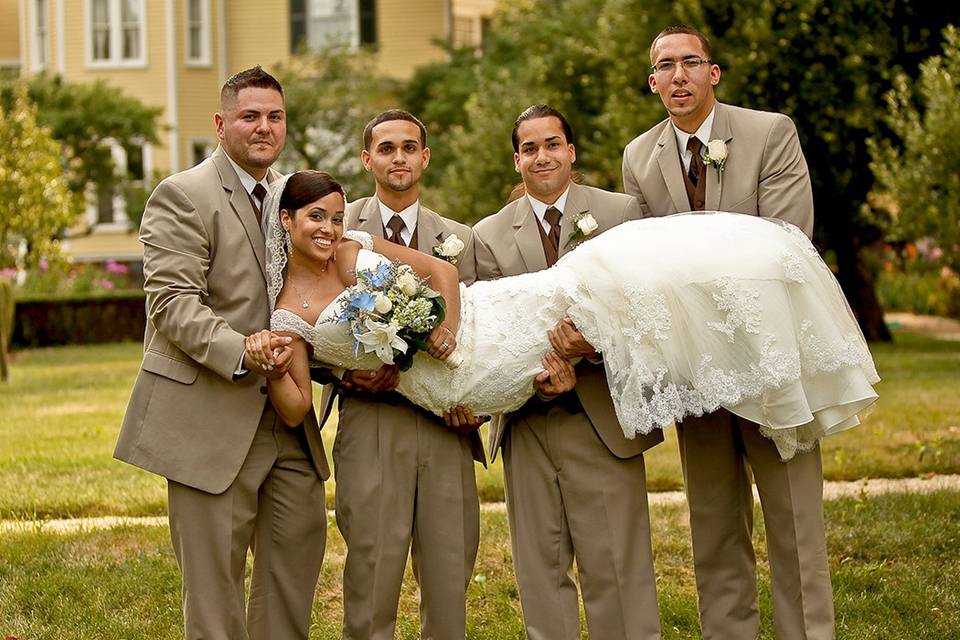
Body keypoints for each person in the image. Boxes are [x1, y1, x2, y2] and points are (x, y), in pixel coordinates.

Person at [621, 25, 833, 639]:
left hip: (772, 359)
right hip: (697, 372)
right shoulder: (639, 156)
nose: (679, 75)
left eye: (692, 62)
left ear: (714, 73)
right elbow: (646, 263)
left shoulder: (771, 132)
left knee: (794, 520)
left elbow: (788, 240)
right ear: (653, 81)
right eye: (666, 66)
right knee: (713, 524)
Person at [115, 67, 328, 640]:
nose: (264, 127)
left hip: (289, 417)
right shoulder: (182, 195)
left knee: (296, 567)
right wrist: (248, 351)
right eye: (249, 116)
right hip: (208, 415)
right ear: (220, 123)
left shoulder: (296, 199)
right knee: (215, 597)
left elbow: (318, 292)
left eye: (275, 116)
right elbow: (172, 305)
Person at [473, 104, 663, 640]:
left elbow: (647, 312)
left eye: (552, 144)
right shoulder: (487, 236)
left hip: (602, 414)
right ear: (517, 160)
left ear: (571, 152)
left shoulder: (621, 214)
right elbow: (491, 327)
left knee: (618, 570)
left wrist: (594, 349)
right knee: (541, 569)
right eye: (530, 148)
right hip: (527, 420)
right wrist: (530, 373)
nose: (542, 156)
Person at [321, 110, 484, 640]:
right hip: (372, 421)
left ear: (425, 157)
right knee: (371, 573)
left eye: (409, 148)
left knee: (449, 572)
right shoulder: (337, 232)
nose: (399, 158)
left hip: (445, 427)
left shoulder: (459, 238)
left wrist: (474, 404)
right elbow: (311, 318)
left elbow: (483, 330)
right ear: (367, 159)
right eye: (386, 148)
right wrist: (345, 373)